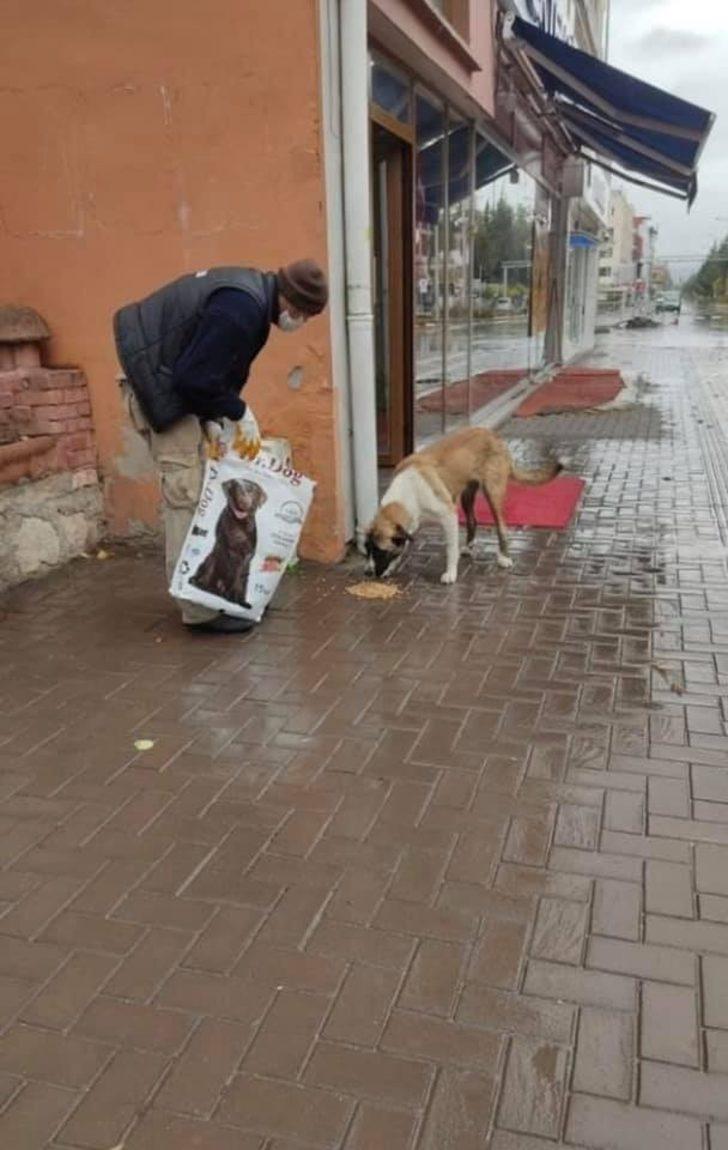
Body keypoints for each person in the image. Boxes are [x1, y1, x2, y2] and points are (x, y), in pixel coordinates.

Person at [113, 259, 328, 633]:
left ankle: (214, 595)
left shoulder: (252, 301)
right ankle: (198, 610)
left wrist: (213, 419)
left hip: (169, 383)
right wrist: (239, 412)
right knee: (185, 493)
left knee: (197, 491)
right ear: (292, 301)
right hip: (155, 387)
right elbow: (192, 376)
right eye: (304, 315)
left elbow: (209, 368)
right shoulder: (241, 309)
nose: (301, 322)